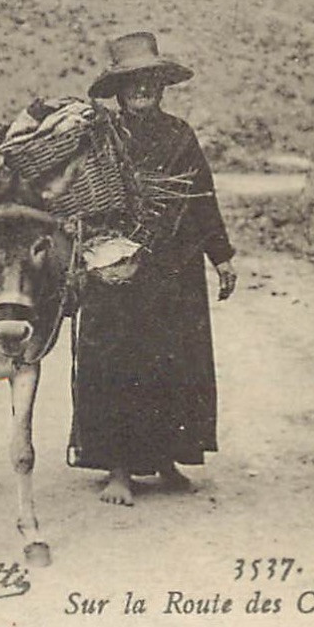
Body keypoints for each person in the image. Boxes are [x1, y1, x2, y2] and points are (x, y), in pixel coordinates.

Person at [67, 31, 239, 506]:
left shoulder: (180, 136)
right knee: (117, 364)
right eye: (132, 82)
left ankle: (165, 459)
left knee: (174, 361)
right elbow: (77, 199)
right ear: (119, 90)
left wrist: (221, 256)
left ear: (162, 86)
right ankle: (119, 468)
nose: (142, 89)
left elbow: (203, 199)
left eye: (150, 81)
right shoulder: (100, 137)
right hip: (116, 270)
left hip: (174, 270)